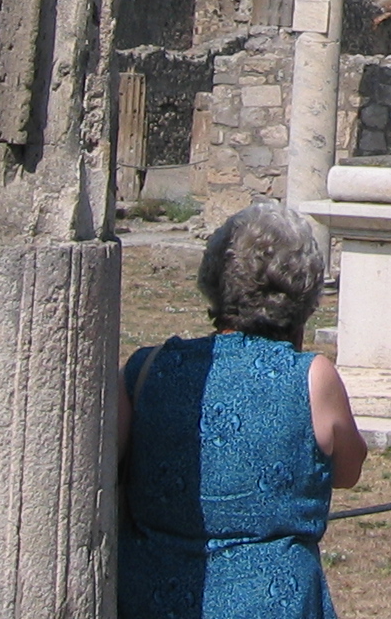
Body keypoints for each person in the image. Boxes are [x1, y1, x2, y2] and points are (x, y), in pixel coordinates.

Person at [118, 202, 369, 619]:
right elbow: (348, 470)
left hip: (157, 596)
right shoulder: (310, 378)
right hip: (272, 601)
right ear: (303, 293)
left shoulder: (147, 368)